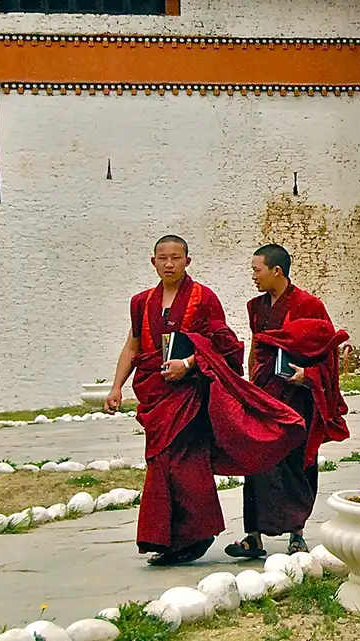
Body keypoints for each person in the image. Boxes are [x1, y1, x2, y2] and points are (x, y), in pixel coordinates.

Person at [104, 235, 305, 567]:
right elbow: (134, 346)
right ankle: (164, 539)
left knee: (187, 464)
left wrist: (188, 364)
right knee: (160, 465)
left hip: (190, 396)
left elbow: (223, 344)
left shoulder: (203, 298)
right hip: (156, 394)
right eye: (163, 258)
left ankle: (197, 536)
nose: (169, 264)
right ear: (153, 262)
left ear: (188, 260)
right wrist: (116, 388)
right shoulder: (141, 302)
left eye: (176, 258)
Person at [226, 244, 350, 561]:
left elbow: (328, 352)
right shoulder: (256, 307)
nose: (253, 276)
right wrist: (252, 381)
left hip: (299, 397)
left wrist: (308, 376)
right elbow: (258, 347)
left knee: (296, 462)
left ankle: (297, 533)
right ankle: (252, 536)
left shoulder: (309, 304)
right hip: (265, 393)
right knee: (256, 458)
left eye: (257, 270)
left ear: (276, 271)